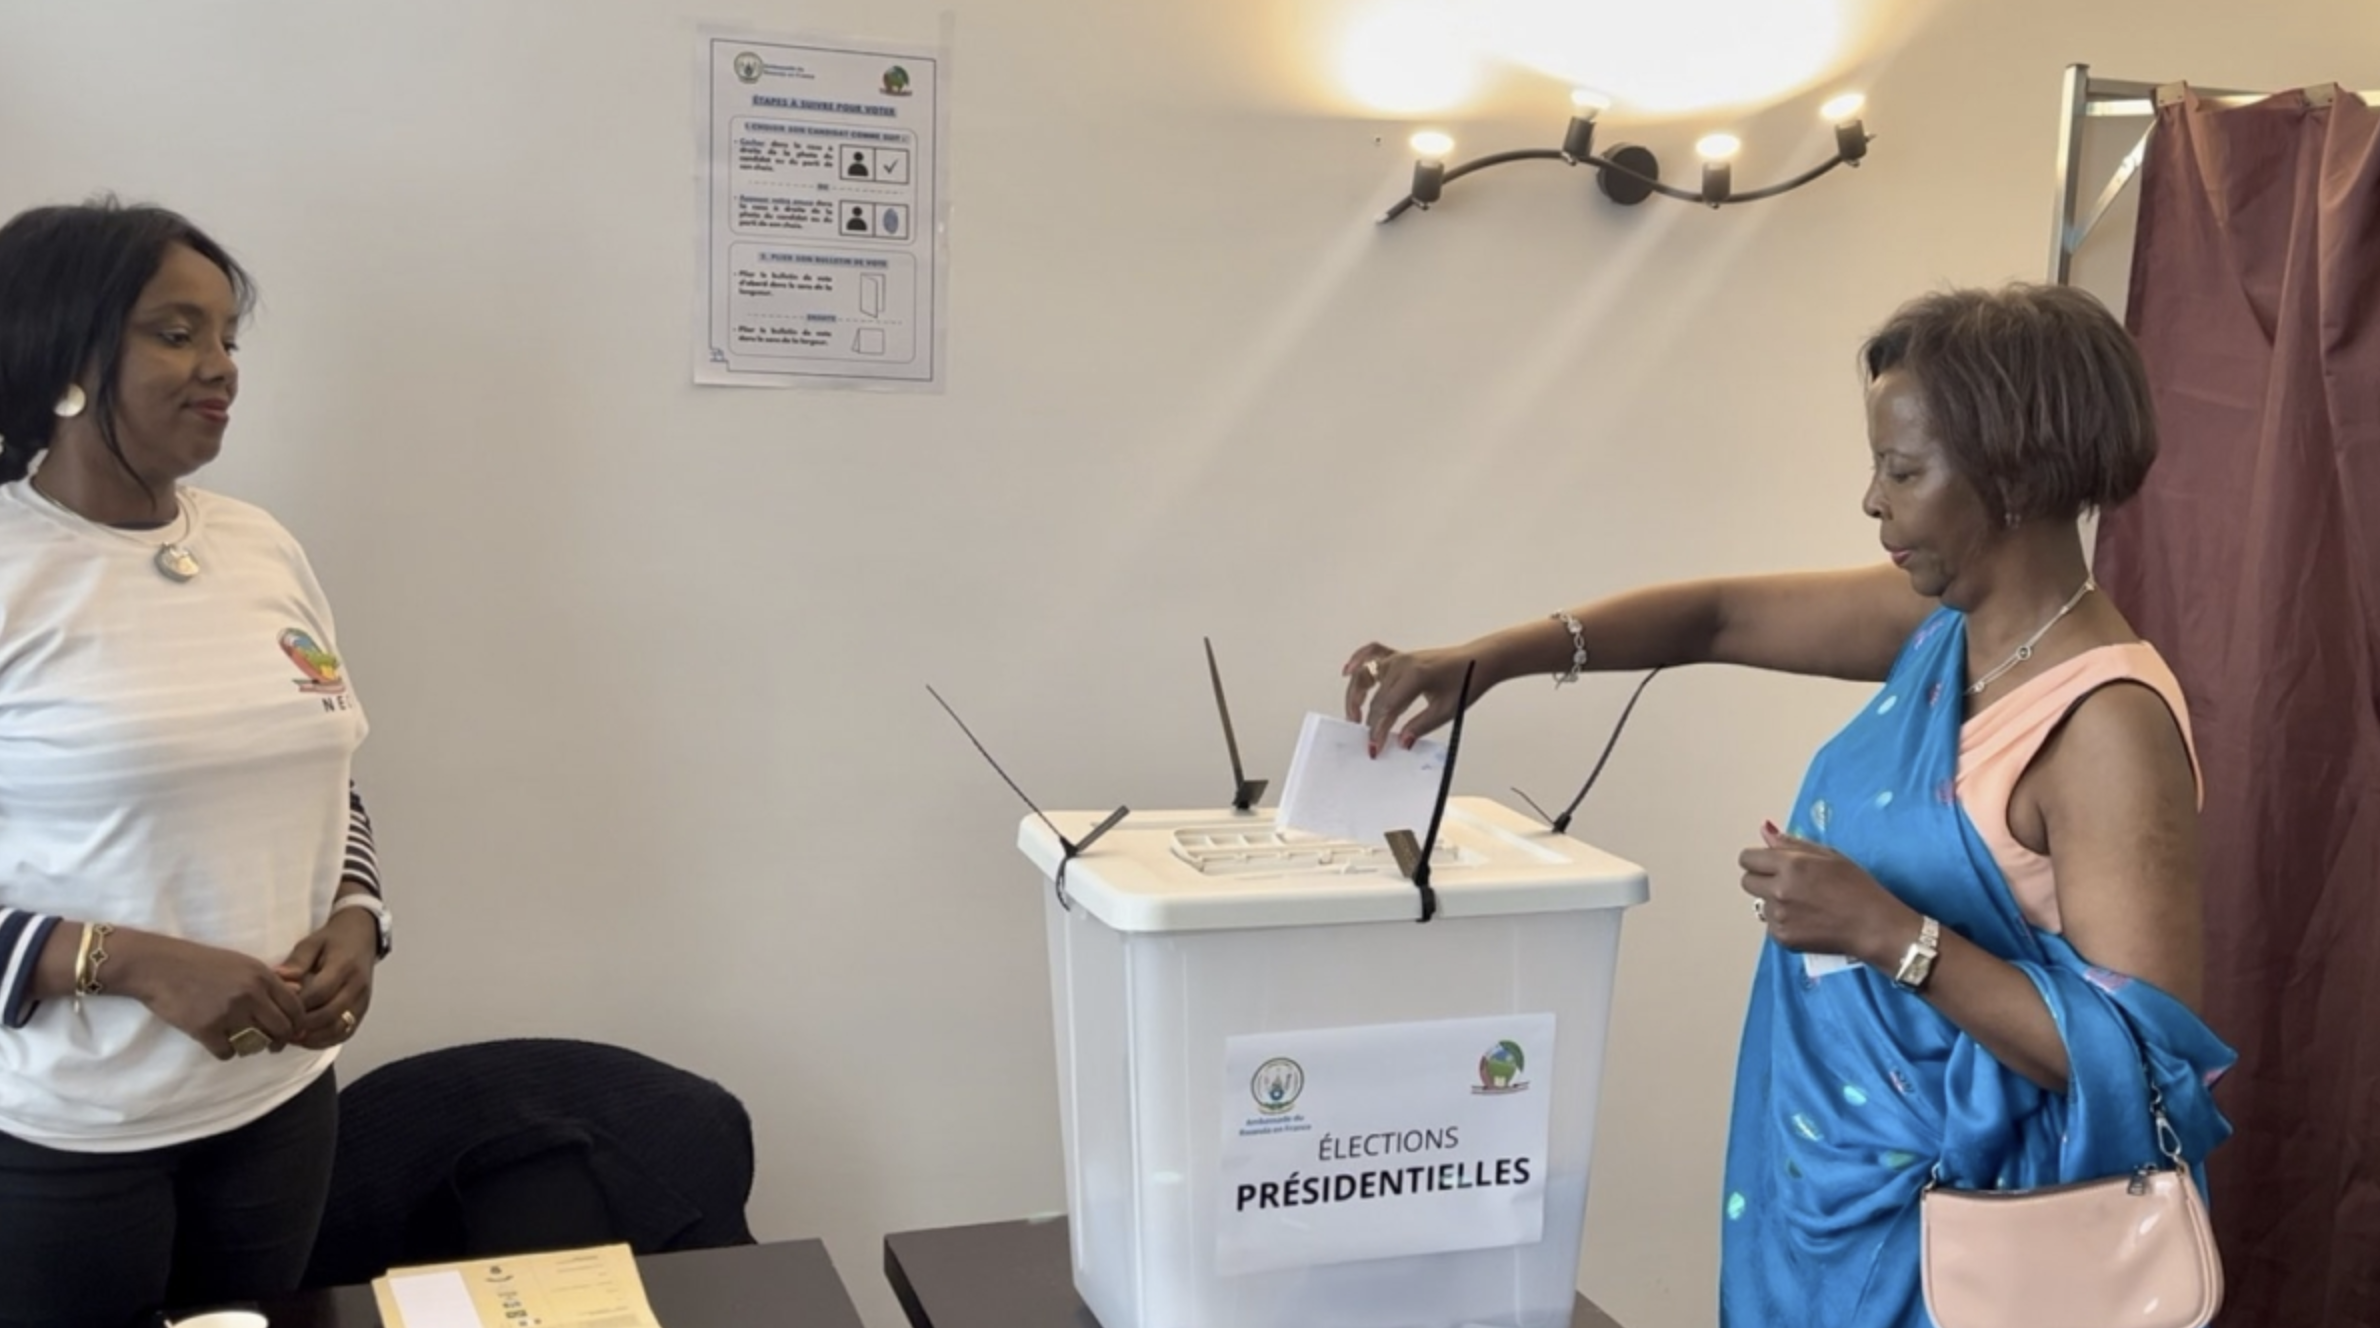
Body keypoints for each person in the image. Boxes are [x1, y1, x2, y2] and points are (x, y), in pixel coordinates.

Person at [1343, 283, 2232, 1327]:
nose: (1871, 500)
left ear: (2018, 476)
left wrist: (1892, 935)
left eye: (1902, 470)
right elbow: (1717, 617)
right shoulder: (1943, 628)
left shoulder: (2101, 723)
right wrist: (1489, 660)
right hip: (1832, 1183)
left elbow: (2146, 1060)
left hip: (1975, 1235)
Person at [0, 199, 389, 1328]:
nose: (220, 367)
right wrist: (129, 960)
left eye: (228, 337)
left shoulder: (260, 544)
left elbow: (328, 773)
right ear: (67, 352)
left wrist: (359, 916)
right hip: (69, 1142)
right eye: (176, 333)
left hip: (278, 1109)